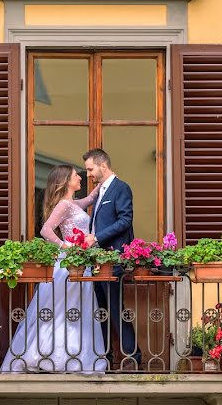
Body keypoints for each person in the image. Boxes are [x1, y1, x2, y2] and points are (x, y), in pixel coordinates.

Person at [0, 165, 108, 373]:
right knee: (61, 310)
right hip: (68, 263)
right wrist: (64, 245)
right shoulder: (64, 205)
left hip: (79, 263)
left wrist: (106, 177)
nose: (80, 177)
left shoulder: (73, 204)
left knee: (75, 309)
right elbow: (45, 230)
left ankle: (72, 355)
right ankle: (50, 355)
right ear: (67, 181)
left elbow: (91, 198)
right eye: (76, 175)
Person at [83, 148, 141, 369]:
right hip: (98, 261)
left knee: (115, 308)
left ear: (103, 166)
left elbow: (125, 220)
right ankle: (105, 359)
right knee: (103, 311)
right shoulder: (101, 192)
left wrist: (96, 237)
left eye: (90, 169)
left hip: (113, 259)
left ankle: (133, 358)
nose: (88, 174)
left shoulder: (120, 188)